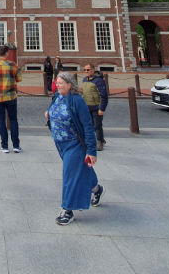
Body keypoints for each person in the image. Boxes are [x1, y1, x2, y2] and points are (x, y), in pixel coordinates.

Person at [45, 71, 104, 226]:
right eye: (57, 83)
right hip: (60, 143)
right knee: (82, 169)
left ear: (70, 85)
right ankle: (97, 190)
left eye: (61, 83)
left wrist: (91, 151)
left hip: (74, 144)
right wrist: (49, 114)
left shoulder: (77, 101)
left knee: (70, 175)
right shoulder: (57, 97)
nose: (57, 85)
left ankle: (67, 210)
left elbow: (87, 126)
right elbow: (53, 110)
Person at [80, 66, 108, 151]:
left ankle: (99, 141)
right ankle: (92, 141)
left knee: (97, 125)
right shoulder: (84, 80)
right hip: (86, 107)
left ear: (93, 70)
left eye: (88, 70)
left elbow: (104, 96)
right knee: (88, 125)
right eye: (85, 70)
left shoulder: (99, 81)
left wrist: (102, 108)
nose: (86, 71)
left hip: (96, 107)